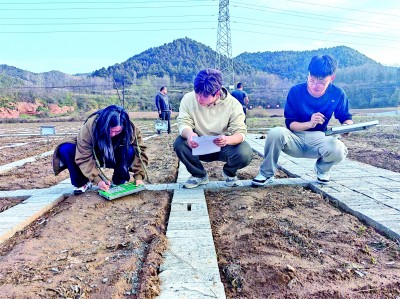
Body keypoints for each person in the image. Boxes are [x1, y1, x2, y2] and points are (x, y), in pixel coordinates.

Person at [252, 54, 353, 186]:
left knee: (339, 149)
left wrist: (348, 127)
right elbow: (290, 124)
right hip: (295, 137)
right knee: (275, 132)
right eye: (312, 80)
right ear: (308, 74)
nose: (315, 85)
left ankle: (322, 170)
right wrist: (310, 123)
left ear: (332, 78)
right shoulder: (296, 91)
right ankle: (266, 173)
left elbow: (346, 117)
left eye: (321, 83)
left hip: (319, 139)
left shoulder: (338, 93)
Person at [174, 68, 253, 189]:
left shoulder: (233, 105)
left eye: (204, 96)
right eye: (197, 93)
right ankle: (199, 175)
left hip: (223, 146)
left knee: (245, 151)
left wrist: (227, 140)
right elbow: (183, 122)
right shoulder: (188, 99)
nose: (199, 99)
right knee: (180, 143)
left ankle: (229, 173)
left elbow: (240, 133)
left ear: (216, 93)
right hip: (198, 144)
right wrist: (189, 134)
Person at [53, 105, 148, 195]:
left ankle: (118, 181)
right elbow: (83, 156)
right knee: (65, 149)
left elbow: (140, 152)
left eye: (117, 131)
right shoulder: (90, 127)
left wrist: (138, 177)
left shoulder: (130, 129)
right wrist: (98, 180)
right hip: (94, 154)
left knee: (130, 150)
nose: (113, 134)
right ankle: (83, 182)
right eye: (110, 131)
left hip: (114, 155)